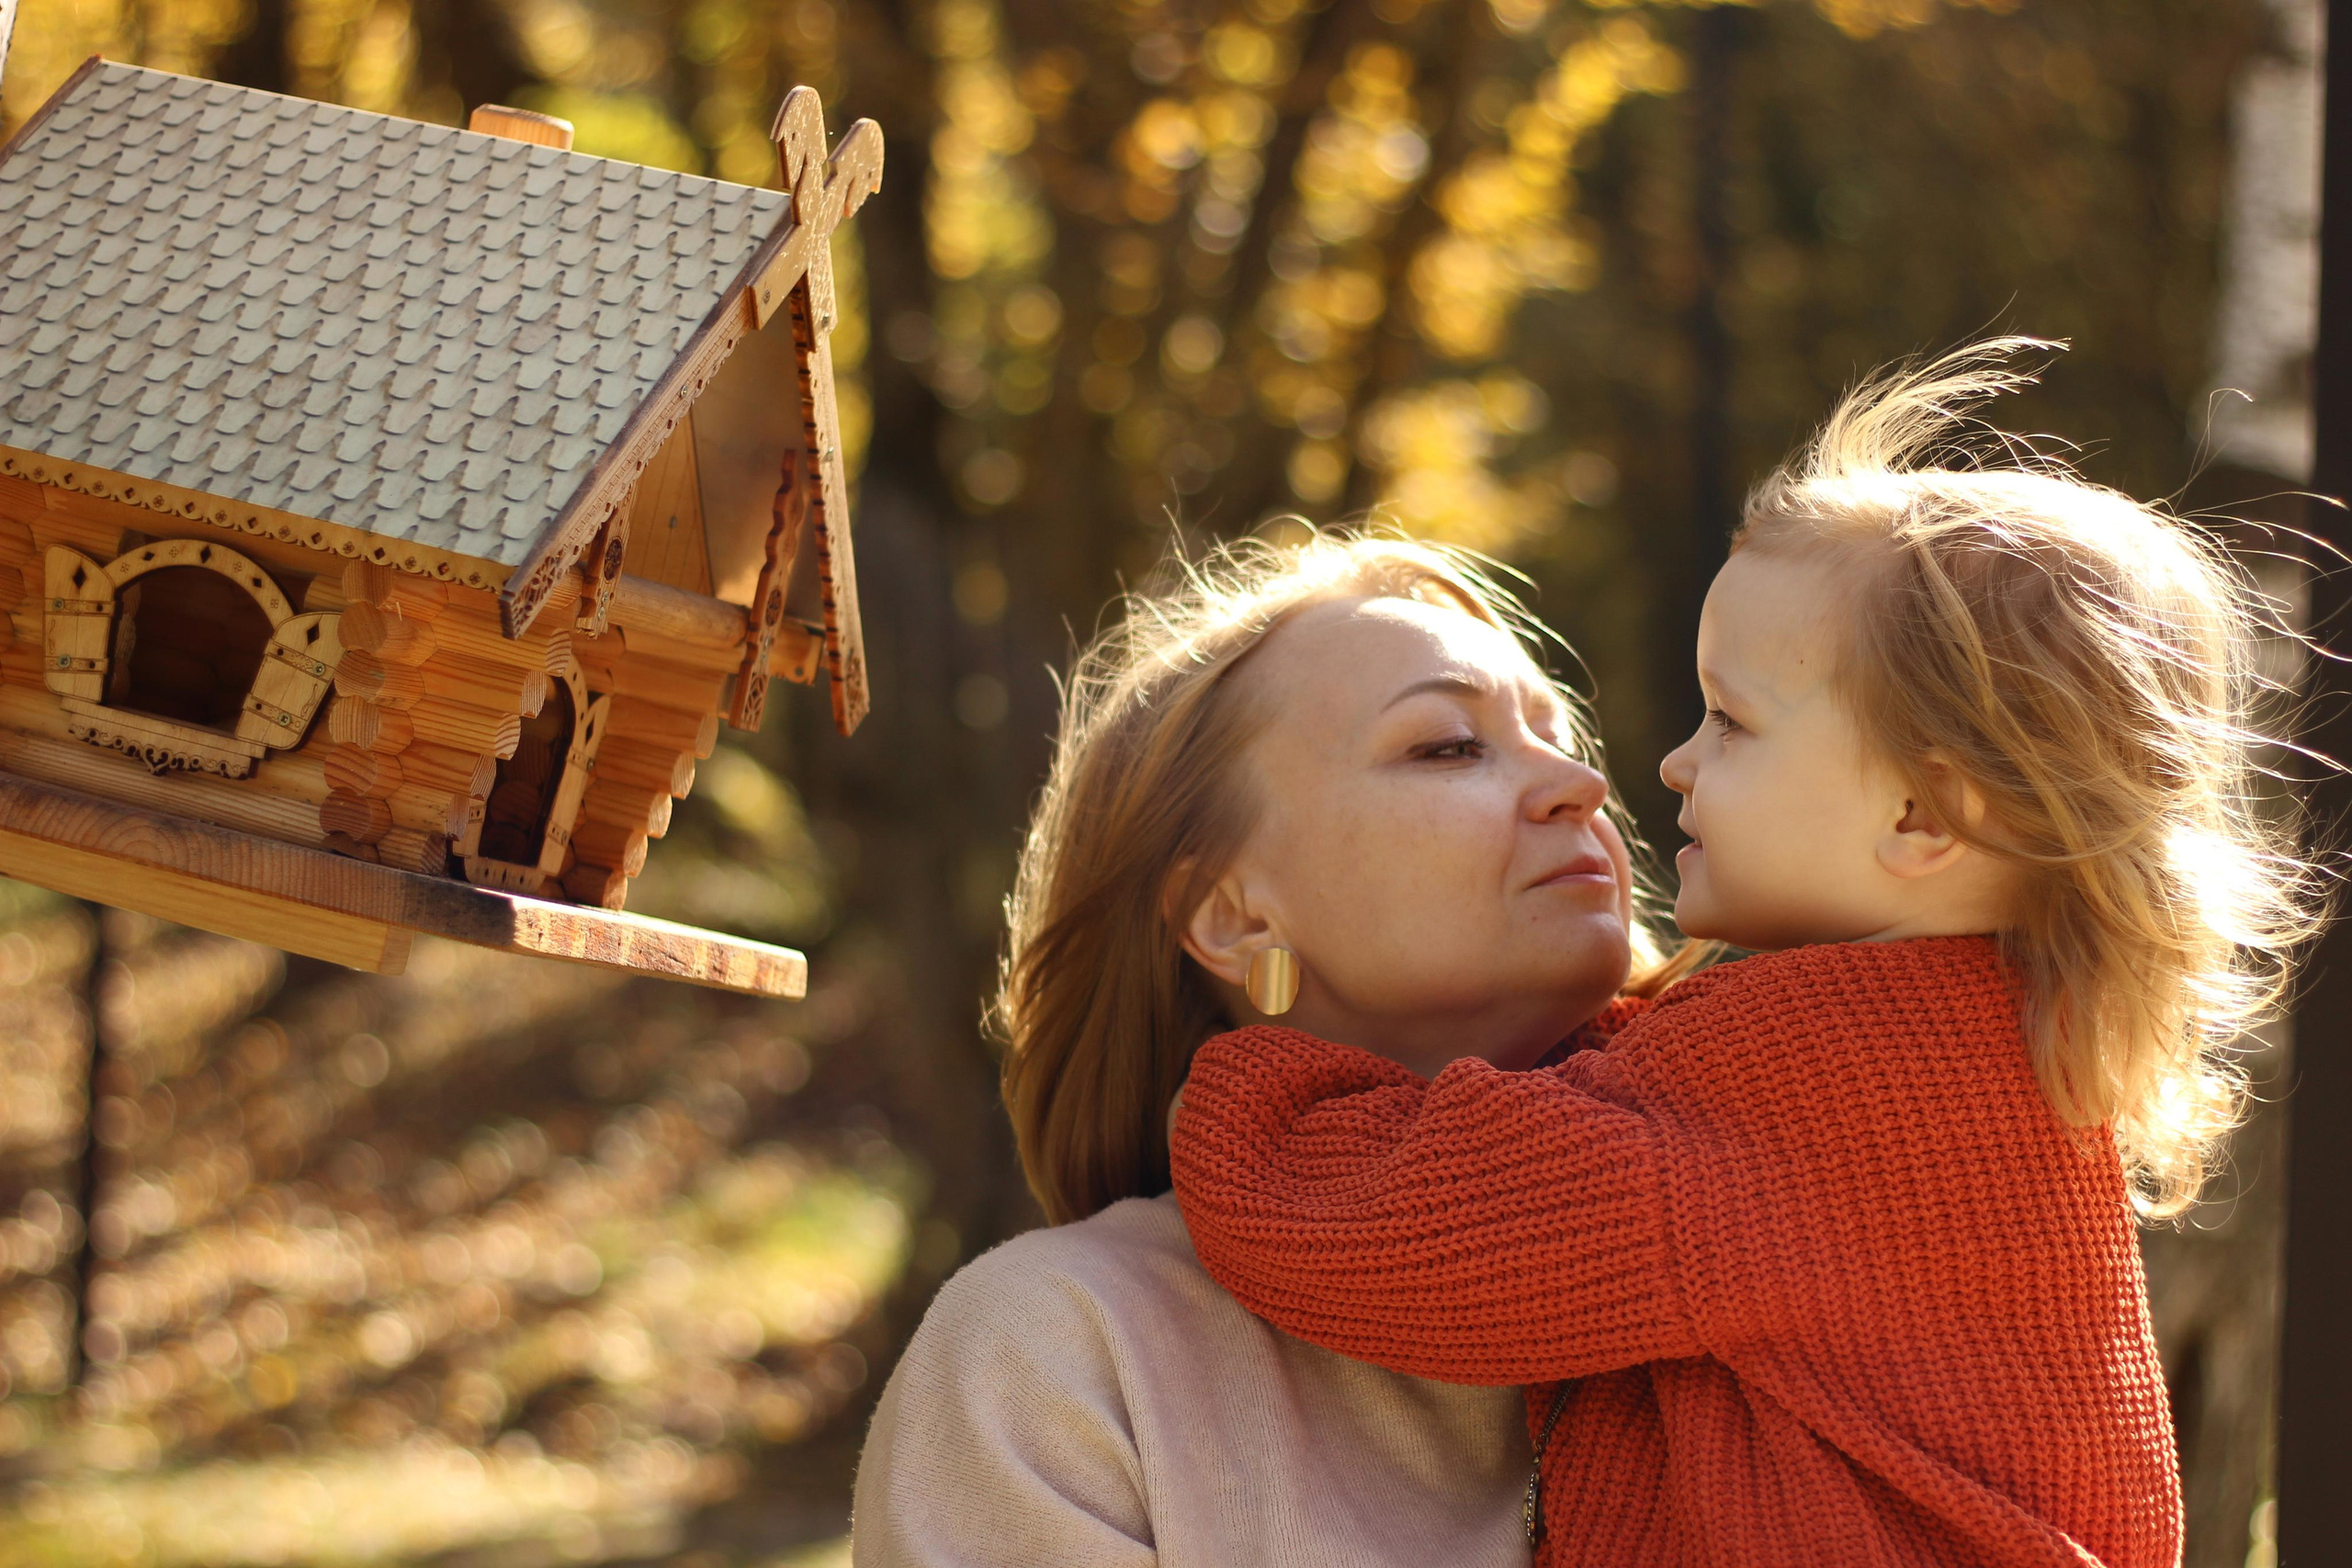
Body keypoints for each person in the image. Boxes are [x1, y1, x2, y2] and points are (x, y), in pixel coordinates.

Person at [1169, 341, 2324, 1566]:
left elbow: (1376, 1230)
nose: (1672, 764)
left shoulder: (1819, 1083)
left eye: (1731, 720)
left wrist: (1243, 1105)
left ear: (1921, 814)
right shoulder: (1988, 1050)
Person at [852, 534, 1695, 1566]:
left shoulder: (1777, 1233)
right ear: (1236, 917)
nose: (1580, 782)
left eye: (1560, 735)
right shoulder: (1056, 1351)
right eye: (1447, 746)